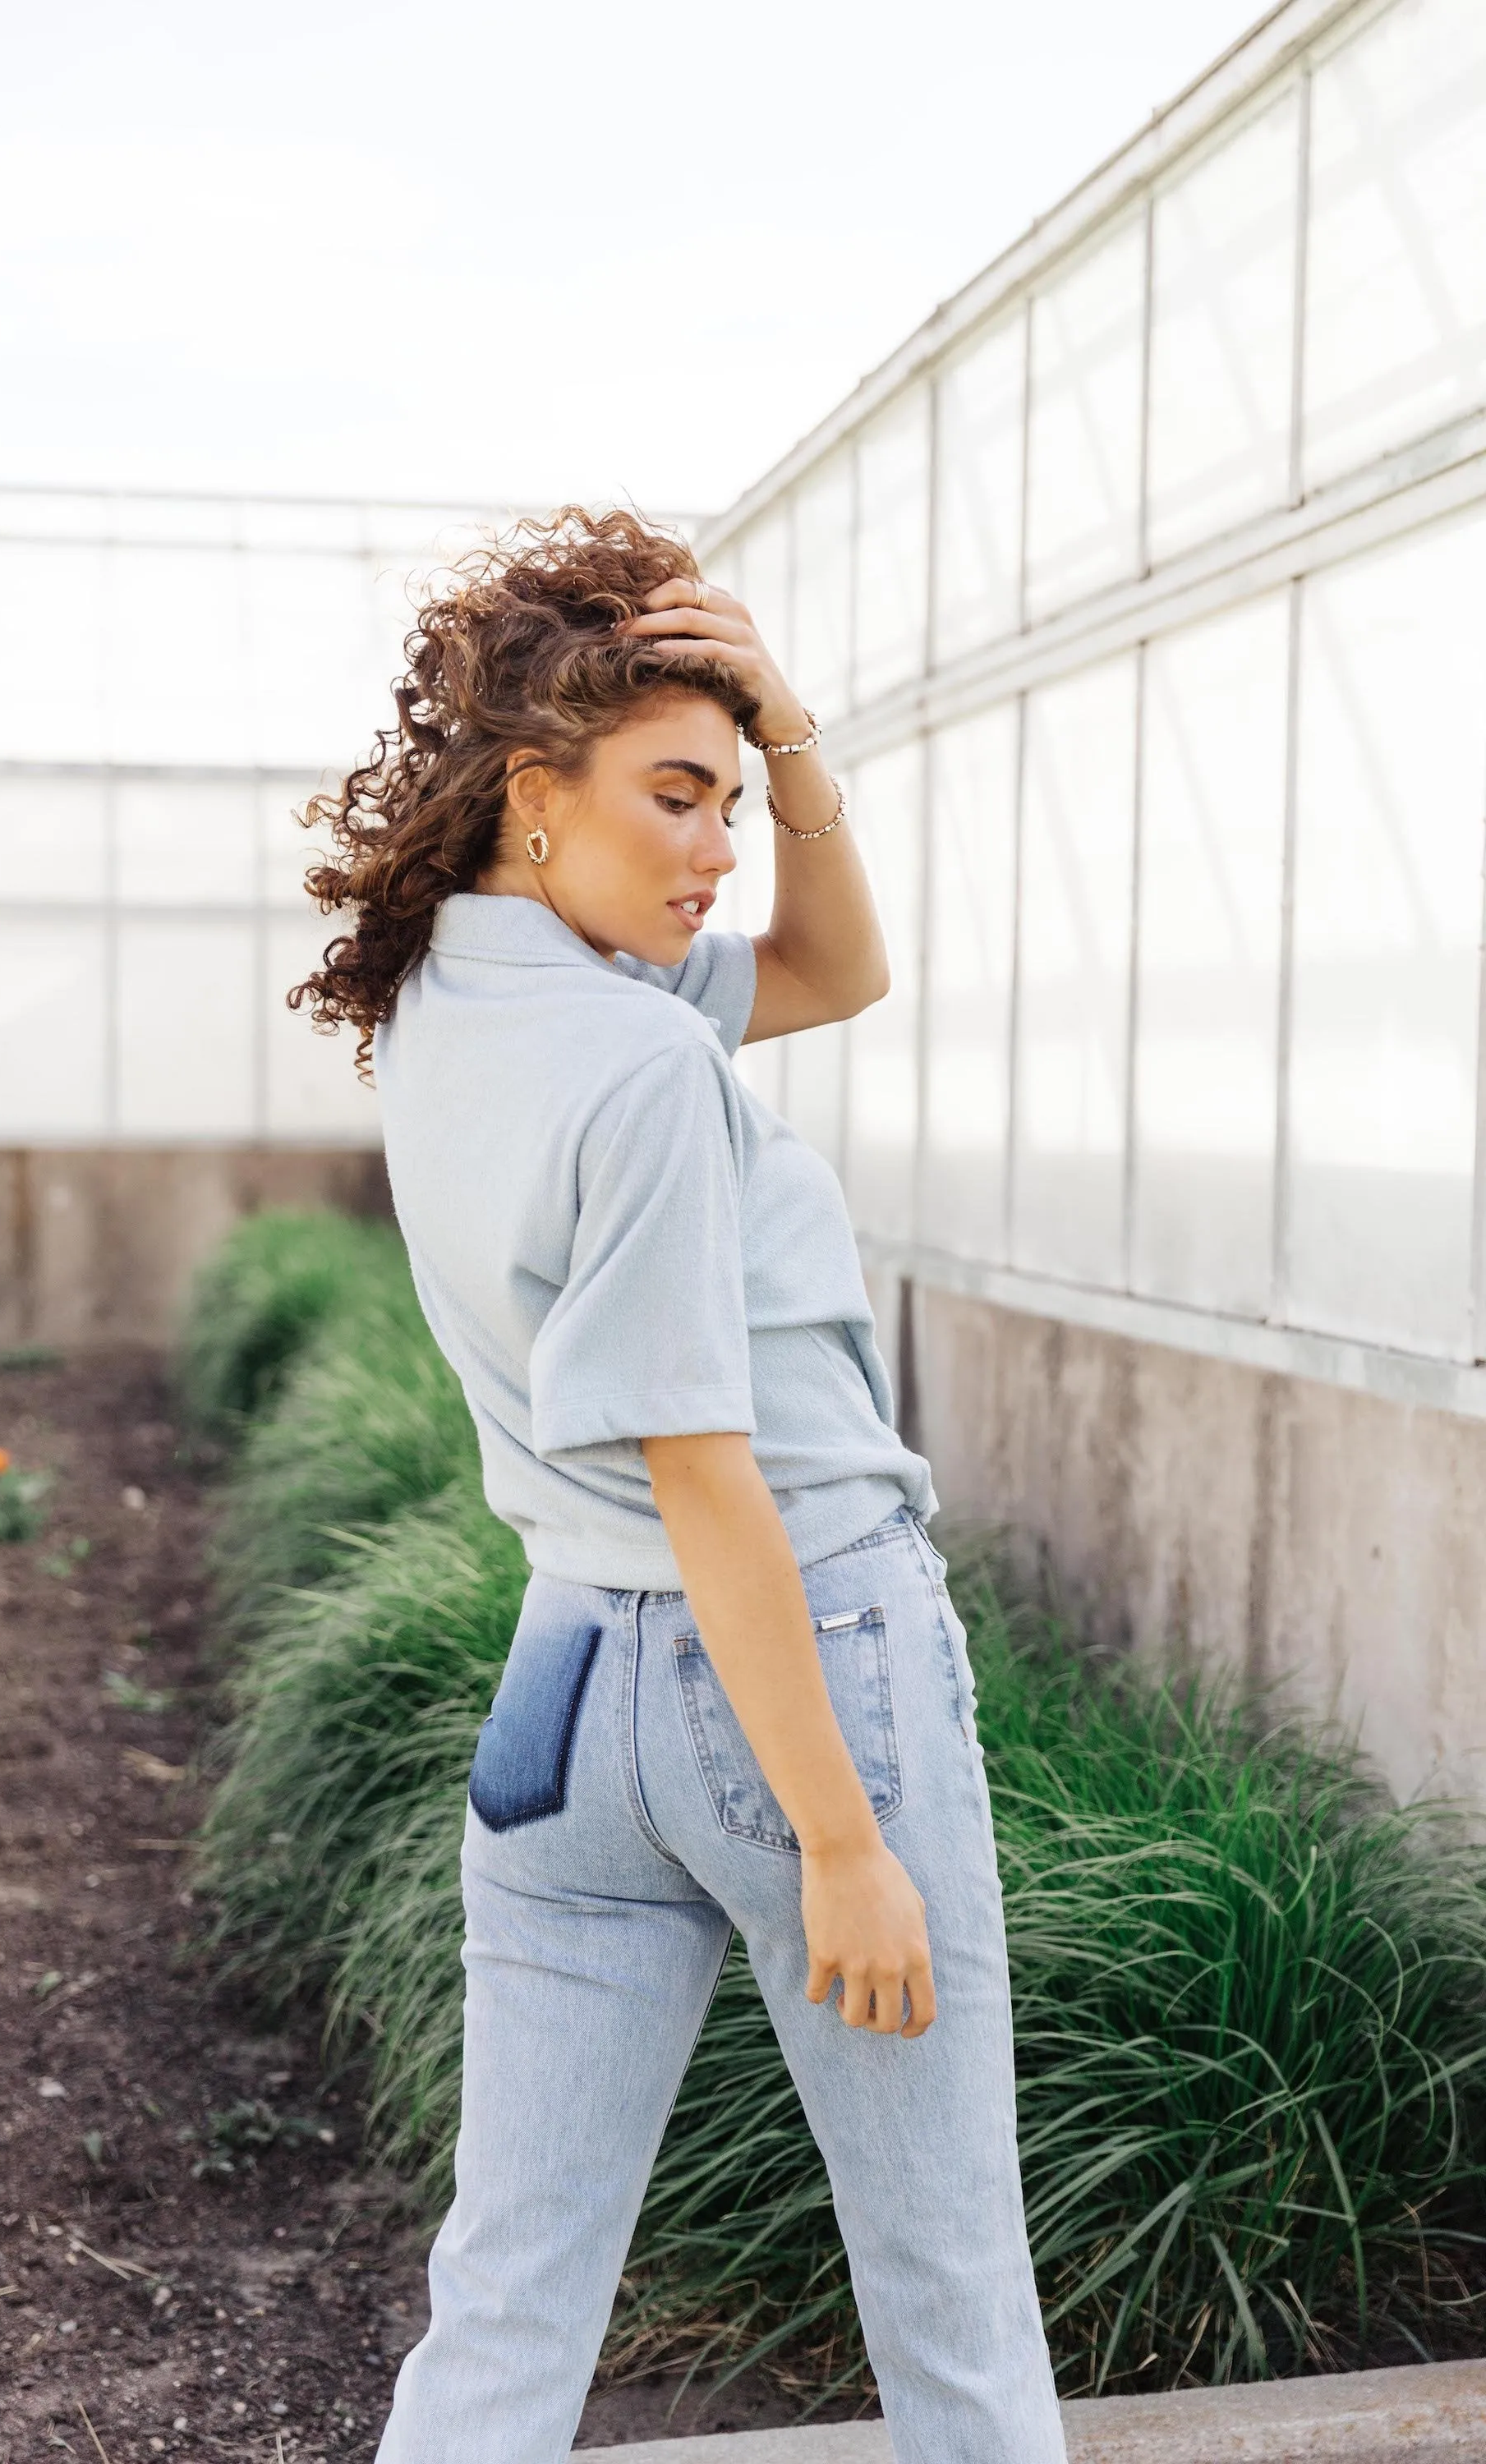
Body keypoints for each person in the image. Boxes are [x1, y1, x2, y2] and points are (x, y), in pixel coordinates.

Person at [291, 508, 1065, 2464]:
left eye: (731, 801)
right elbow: (708, 1481)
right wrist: (840, 1842)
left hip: (561, 1712)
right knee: (951, 2296)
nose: (720, 850)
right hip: (799, 1667)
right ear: (527, 794)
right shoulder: (636, 1071)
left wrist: (786, 735)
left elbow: (835, 961)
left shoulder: (464, 1007)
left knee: (505, 2309)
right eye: (679, 796)